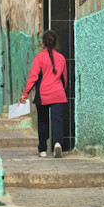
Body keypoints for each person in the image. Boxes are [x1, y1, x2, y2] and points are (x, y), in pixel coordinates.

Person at [19, 30, 67, 158]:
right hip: (58, 94)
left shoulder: (39, 58)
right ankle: (57, 143)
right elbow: (64, 79)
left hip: (43, 94)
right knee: (57, 121)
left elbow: (33, 77)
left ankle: (43, 149)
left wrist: (25, 94)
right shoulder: (61, 58)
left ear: (43, 43)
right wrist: (61, 90)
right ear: (55, 42)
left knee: (42, 122)